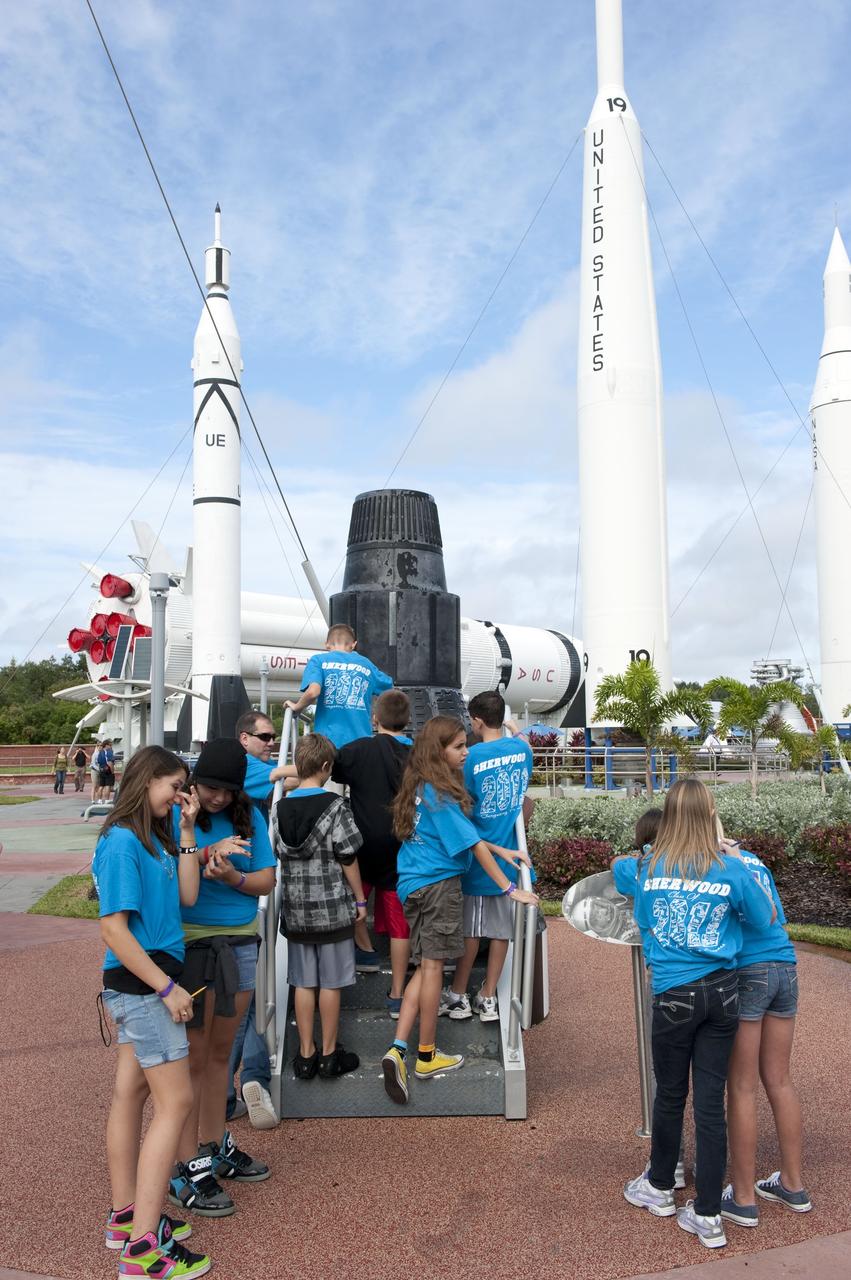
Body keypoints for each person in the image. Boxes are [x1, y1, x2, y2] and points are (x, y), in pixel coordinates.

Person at [617, 778, 774, 1250]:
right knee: (710, 1104)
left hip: (673, 994)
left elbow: (618, 867)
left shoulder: (647, 867)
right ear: (710, 816)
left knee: (669, 1095)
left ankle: (661, 1185)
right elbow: (763, 916)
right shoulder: (729, 867)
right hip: (723, 994)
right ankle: (708, 1214)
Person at [93, 745, 211, 1278]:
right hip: (145, 985)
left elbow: (187, 896)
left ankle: (126, 1217)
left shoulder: (156, 838)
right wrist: (167, 989)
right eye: (174, 786)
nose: (180, 795)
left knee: (132, 1091)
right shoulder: (121, 842)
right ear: (147, 783)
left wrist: (188, 832)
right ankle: (142, 1246)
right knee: (177, 1101)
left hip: (147, 980)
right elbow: (113, 928)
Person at [381, 716, 538, 1106]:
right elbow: (472, 846)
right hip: (438, 887)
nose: (466, 752)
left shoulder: (419, 785)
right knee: (434, 968)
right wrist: (508, 887)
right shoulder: (440, 793)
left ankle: (398, 1047)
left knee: (424, 967)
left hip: (414, 883)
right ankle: (427, 1055)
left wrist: (504, 851)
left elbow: (468, 838)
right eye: (458, 747)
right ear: (440, 751)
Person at [168, 739, 276, 1219]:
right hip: (192, 946)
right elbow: (168, 869)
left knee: (219, 1055)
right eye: (210, 787)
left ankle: (212, 1146)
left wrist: (232, 876)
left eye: (226, 791)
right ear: (195, 781)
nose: (217, 798)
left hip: (240, 944)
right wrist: (208, 849)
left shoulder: (251, 817)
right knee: (191, 1059)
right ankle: (185, 1162)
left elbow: (266, 880)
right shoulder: (178, 814)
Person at [720, 837, 811, 1227]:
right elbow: (776, 918)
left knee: (741, 1086)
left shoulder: (716, 865)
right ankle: (792, 1184)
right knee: (780, 1079)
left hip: (748, 973)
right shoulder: (753, 860)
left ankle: (742, 1197)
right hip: (785, 968)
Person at [271, 733, 366, 1078]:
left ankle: (305, 1054)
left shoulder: (280, 807)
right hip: (333, 911)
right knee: (330, 983)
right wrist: (360, 900)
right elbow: (348, 856)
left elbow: (277, 852)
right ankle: (328, 1055)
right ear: (326, 767)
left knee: (303, 983)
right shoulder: (336, 807)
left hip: (296, 913)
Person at [440, 691, 534, 1021]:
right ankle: (489, 995)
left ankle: (457, 994)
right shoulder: (521, 749)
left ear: (477, 721)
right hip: (512, 852)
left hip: (483, 856)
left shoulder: (473, 757)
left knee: (472, 931)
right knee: (500, 931)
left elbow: (460, 800)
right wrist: (513, 725)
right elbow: (526, 746)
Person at [328, 688, 413, 1012]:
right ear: (407, 720)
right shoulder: (415, 755)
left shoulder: (357, 750)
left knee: (351, 898)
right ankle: (397, 995)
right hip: (401, 845)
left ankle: (364, 951)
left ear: (374, 719)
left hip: (360, 844)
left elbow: (327, 767)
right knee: (399, 923)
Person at [224, 711, 283, 1131]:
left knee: (239, 1008)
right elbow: (289, 775)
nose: (271, 741)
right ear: (244, 738)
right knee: (244, 1006)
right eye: (265, 736)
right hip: (240, 917)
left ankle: (228, 1091)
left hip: (226, 917)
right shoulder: (252, 774)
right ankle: (252, 1078)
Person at [285, 623, 392, 748]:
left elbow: (313, 692)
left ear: (327, 644)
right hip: (361, 744)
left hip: (327, 745)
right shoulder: (366, 664)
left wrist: (297, 707)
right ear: (354, 645)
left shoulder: (318, 661)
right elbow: (389, 687)